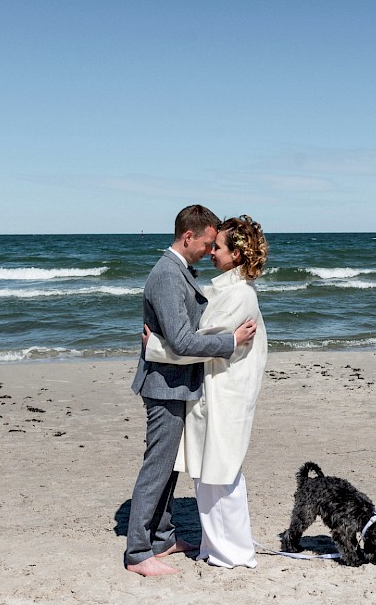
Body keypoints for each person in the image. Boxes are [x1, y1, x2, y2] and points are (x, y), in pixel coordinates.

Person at [125, 205, 257, 577]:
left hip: (177, 384)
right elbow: (183, 341)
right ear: (189, 237)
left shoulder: (179, 271)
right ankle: (137, 552)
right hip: (165, 385)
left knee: (170, 469)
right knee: (157, 467)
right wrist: (230, 342)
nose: (209, 249)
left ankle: (162, 537)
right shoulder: (167, 274)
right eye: (207, 242)